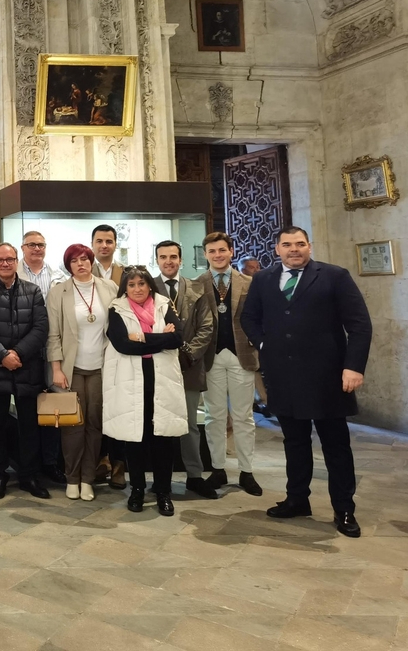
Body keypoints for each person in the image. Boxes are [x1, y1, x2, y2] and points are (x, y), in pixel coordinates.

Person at [241, 226, 372, 538]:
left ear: (309, 246)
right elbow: (249, 318)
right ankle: (297, 499)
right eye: (287, 244)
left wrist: (353, 367)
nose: (294, 249)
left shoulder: (334, 276)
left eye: (300, 244)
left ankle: (344, 509)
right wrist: (264, 344)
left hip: (328, 377)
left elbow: (359, 324)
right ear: (277, 249)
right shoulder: (263, 279)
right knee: (295, 442)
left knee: (335, 445)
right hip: (284, 376)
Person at [103, 267, 186, 516]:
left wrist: (140, 337)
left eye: (141, 283)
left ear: (150, 285)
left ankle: (163, 492)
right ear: (125, 288)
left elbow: (177, 338)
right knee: (135, 439)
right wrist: (160, 338)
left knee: (163, 439)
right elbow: (123, 344)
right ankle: (137, 489)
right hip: (131, 381)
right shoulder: (117, 308)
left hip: (161, 379)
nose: (137, 289)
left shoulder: (164, 305)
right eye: (132, 285)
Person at [0, 243, 50, 500]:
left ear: (17, 261)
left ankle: (29, 475)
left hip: (27, 366)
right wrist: (2, 355)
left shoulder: (33, 290)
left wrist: (17, 353)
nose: (5, 263)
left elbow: (41, 327)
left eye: (9, 259)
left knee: (29, 425)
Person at [46, 244, 116, 501]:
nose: (81, 264)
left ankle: (88, 479)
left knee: (95, 424)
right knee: (72, 426)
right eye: (74, 261)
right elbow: (53, 334)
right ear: (68, 266)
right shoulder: (58, 292)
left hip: (101, 367)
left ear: (91, 261)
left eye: (84, 259)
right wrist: (56, 368)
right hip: (71, 368)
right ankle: (72, 478)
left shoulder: (109, 288)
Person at [197, 231, 262, 497]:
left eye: (222, 250)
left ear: (231, 251)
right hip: (210, 357)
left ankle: (247, 471)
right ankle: (218, 469)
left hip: (241, 355)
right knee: (213, 416)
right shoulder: (197, 284)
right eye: (212, 251)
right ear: (205, 254)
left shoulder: (249, 283)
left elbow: (259, 317)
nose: (218, 255)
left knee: (244, 416)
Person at [152, 241, 218, 499]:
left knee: (189, 424)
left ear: (180, 260)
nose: (168, 261)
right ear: (157, 260)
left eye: (173, 256)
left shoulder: (196, 288)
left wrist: (188, 354)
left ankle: (194, 475)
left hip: (189, 366)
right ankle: (161, 479)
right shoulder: (148, 288)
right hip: (158, 366)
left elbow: (207, 327)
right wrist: (165, 352)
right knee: (159, 424)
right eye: (163, 257)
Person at [18, 230, 66, 486]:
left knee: (54, 409)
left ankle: (51, 462)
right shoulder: (14, 273)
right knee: (27, 411)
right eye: (32, 245)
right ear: (23, 248)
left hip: (53, 350)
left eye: (41, 244)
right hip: (24, 351)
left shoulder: (58, 276)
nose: (37, 248)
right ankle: (29, 465)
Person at [90, 224, 125, 488]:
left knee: (119, 408)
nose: (104, 245)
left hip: (121, 349)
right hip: (91, 351)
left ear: (115, 244)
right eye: (99, 241)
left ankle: (119, 465)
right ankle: (100, 461)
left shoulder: (126, 273)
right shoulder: (82, 269)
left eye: (109, 241)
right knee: (96, 410)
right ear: (92, 244)